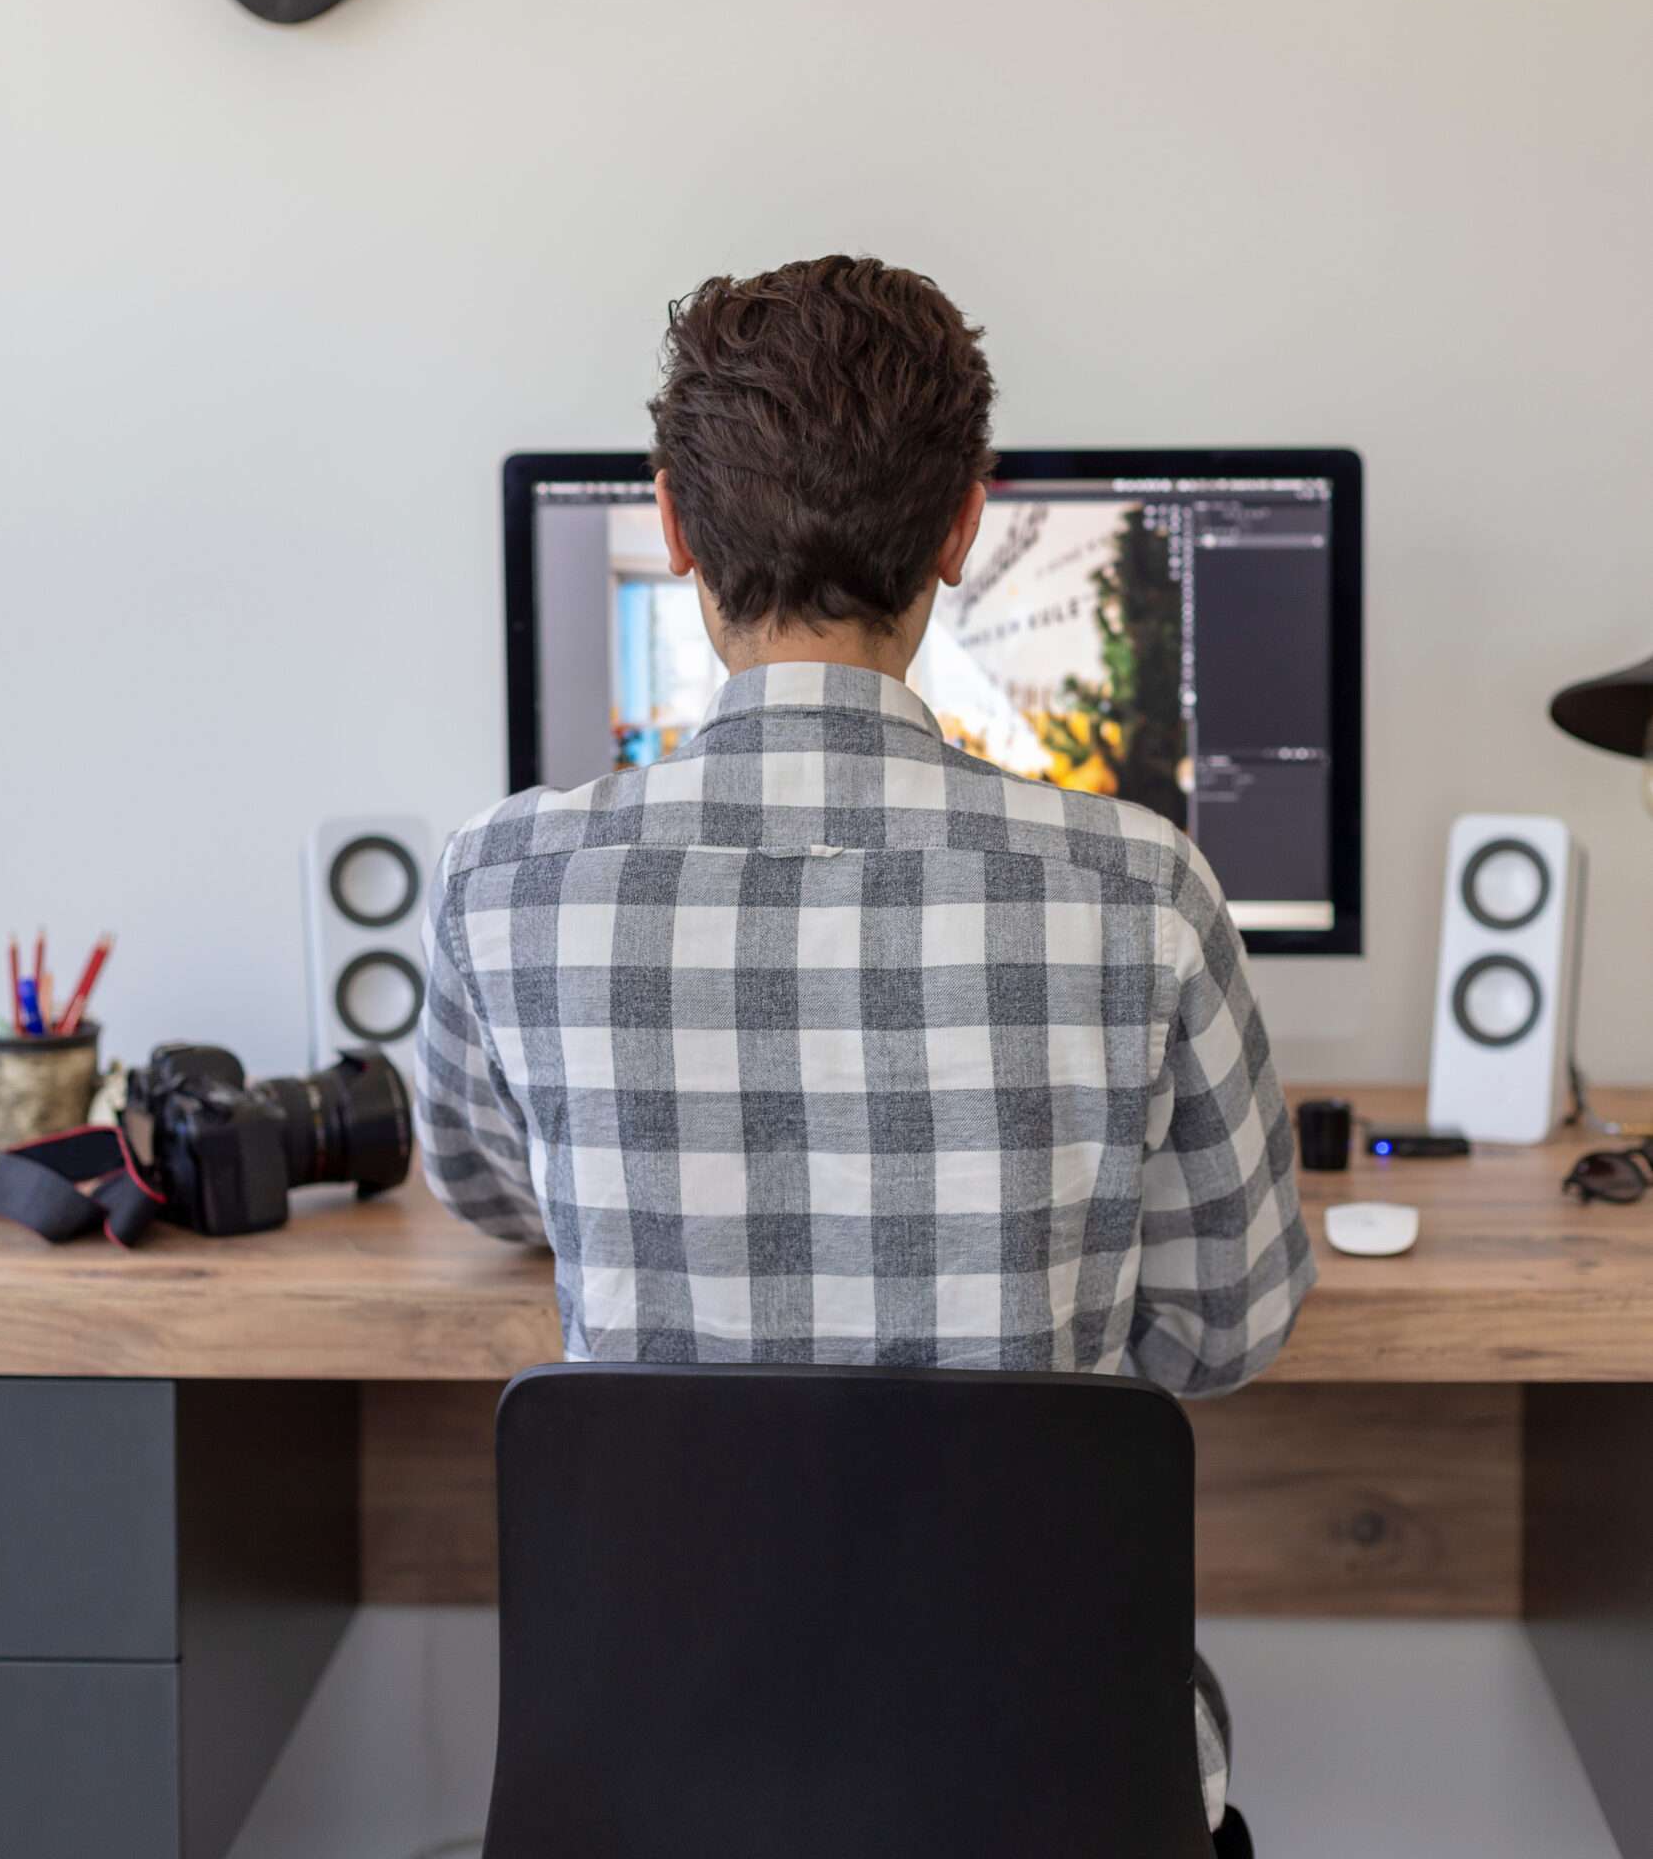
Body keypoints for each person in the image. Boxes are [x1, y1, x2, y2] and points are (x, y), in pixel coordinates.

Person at [417, 253, 1314, 1842]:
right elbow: (1229, 1329)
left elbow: (494, 1200)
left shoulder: (504, 879)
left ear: (677, 526)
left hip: (649, 1795)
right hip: (1054, 1796)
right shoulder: (1142, 887)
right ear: (963, 526)